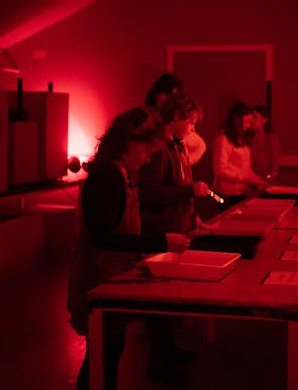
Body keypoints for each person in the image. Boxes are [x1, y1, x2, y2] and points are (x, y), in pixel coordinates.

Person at [66, 106, 192, 390]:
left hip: (112, 275)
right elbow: (105, 237)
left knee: (110, 350)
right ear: (130, 142)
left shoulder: (122, 174)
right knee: (101, 356)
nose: (148, 158)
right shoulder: (106, 177)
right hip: (98, 275)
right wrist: (160, 242)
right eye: (147, 151)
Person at [140, 93, 210, 236]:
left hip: (181, 230)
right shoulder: (159, 149)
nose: (193, 129)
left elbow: (185, 184)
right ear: (176, 115)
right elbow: (150, 193)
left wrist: (194, 216)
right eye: (191, 122)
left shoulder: (180, 146)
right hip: (165, 234)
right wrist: (190, 191)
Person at [211, 102, 268, 209]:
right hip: (224, 193)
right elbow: (219, 170)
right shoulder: (223, 140)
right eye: (246, 121)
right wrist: (247, 177)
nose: (249, 125)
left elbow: (244, 168)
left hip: (240, 192)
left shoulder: (242, 138)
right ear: (236, 120)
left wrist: (257, 179)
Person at [145, 72, 207, 165]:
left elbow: (200, 145)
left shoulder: (179, 137)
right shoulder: (149, 119)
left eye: (174, 96)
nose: (170, 99)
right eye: (167, 94)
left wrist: (183, 162)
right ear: (156, 95)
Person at [249, 105, 281, 182]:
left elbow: (274, 167)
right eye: (250, 118)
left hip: (268, 181)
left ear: (264, 120)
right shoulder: (246, 139)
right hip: (249, 181)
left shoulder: (272, 139)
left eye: (255, 117)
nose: (251, 120)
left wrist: (266, 180)